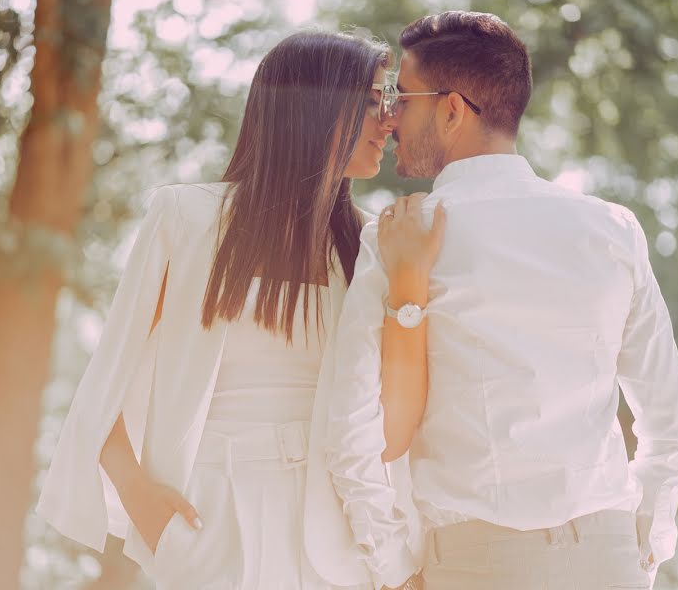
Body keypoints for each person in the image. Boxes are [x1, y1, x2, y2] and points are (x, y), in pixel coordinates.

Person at [36, 30, 439, 589]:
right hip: (209, 520)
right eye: (373, 101)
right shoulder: (185, 218)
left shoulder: (368, 244)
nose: (388, 119)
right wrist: (139, 498)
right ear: (318, 107)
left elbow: (383, 415)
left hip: (335, 534)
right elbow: (105, 380)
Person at [327, 11, 678, 590]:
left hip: (479, 564)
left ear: (452, 109)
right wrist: (639, 555)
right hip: (609, 558)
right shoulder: (610, 229)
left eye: (403, 97)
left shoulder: (401, 234)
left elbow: (353, 426)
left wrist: (394, 570)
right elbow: (670, 424)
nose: (390, 116)